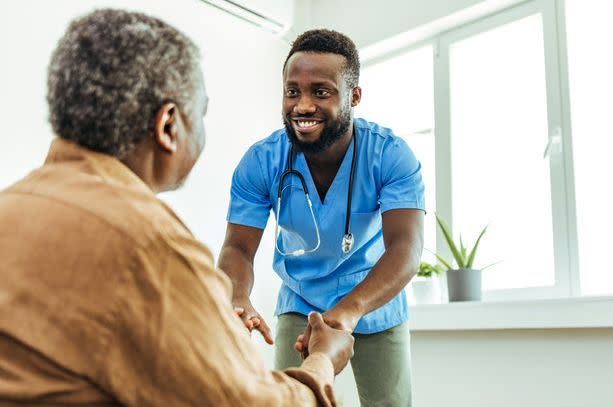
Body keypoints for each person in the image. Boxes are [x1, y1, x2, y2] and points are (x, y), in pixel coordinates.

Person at [0, 9, 354, 406]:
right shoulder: (151, 249)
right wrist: (323, 362)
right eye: (200, 112)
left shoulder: (9, 208)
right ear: (168, 126)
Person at [219, 29, 425, 406]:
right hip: (301, 301)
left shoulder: (391, 155)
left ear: (354, 96)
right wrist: (236, 295)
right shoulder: (261, 161)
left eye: (321, 91)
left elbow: (405, 248)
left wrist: (349, 311)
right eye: (292, 91)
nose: (303, 105)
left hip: (374, 302)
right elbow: (237, 247)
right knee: (287, 400)